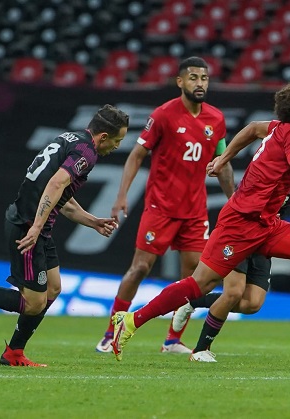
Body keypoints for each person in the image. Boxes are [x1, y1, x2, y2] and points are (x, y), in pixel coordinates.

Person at [110, 78, 290, 363]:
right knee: (198, 284)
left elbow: (252, 130)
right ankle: (130, 322)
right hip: (240, 223)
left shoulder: (278, 128)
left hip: (266, 223)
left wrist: (225, 157)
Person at [0, 105, 129, 366]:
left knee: (53, 287)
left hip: (35, 225)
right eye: (118, 140)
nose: (118, 146)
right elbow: (55, 184)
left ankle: (14, 353)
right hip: (27, 227)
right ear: (104, 137)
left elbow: (61, 197)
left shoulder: (70, 139)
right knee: (34, 303)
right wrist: (37, 226)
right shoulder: (87, 152)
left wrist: (93, 221)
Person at [95, 57, 235, 354]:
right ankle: (112, 331)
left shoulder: (216, 119)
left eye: (204, 78)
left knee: (195, 277)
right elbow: (136, 154)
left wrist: (235, 199)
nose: (200, 83)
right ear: (180, 82)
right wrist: (122, 195)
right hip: (160, 207)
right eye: (194, 77)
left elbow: (222, 163)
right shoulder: (163, 115)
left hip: (195, 211)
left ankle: (172, 339)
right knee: (140, 268)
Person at [171, 133, 290, 362]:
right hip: (241, 231)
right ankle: (200, 350)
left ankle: (194, 301)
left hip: (265, 235)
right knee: (232, 292)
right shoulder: (277, 166)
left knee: (253, 304)